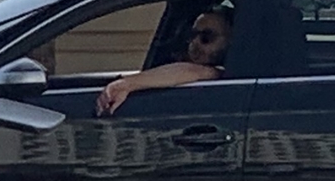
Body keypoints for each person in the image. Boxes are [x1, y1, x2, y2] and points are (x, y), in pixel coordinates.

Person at [98, 7, 233, 116]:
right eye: (191, 36)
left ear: (231, 40)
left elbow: (193, 71)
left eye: (206, 37)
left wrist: (127, 84)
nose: (195, 43)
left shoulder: (227, 72)